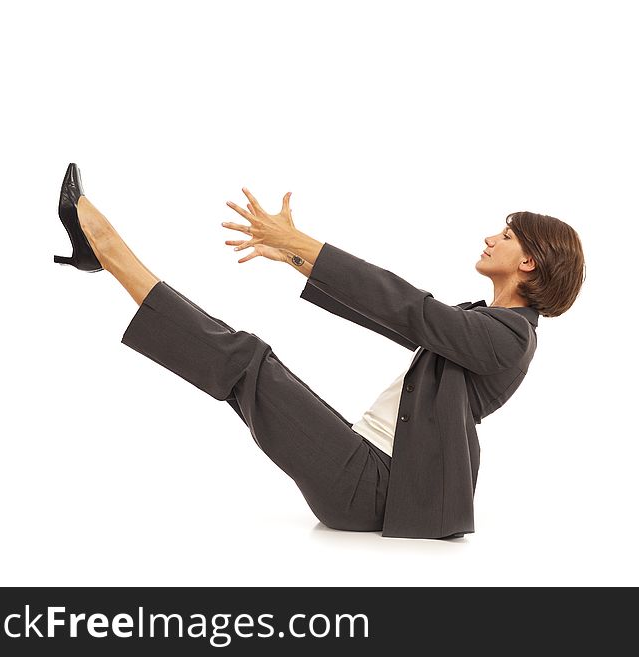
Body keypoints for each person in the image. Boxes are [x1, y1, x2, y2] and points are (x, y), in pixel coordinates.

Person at [54, 163, 585, 539]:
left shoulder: (511, 338)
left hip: (376, 488)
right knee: (244, 370)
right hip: (371, 466)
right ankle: (99, 255)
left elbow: (407, 307)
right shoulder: (488, 322)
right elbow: (394, 316)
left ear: (530, 262)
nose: (492, 237)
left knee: (244, 362)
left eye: (508, 235)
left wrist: (301, 241)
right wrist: (293, 258)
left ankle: (105, 248)